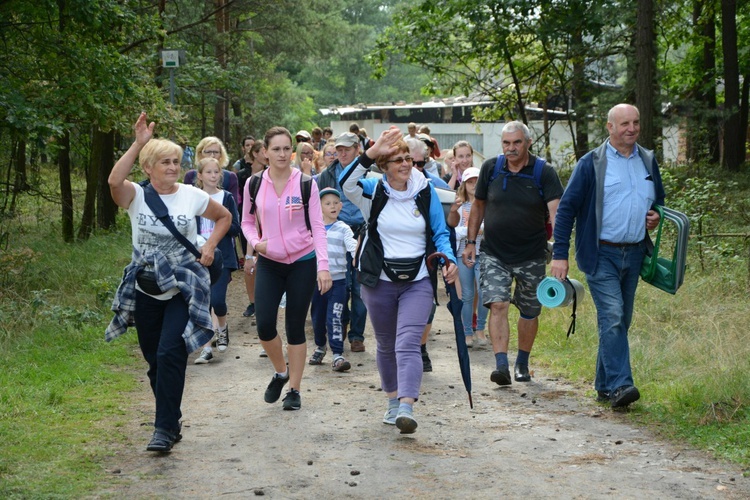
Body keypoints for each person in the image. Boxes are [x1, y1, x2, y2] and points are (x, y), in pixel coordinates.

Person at [105, 113, 231, 452]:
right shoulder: (136, 196)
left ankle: (162, 430)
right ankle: (171, 419)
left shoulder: (191, 195)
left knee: (169, 352)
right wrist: (139, 143)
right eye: (165, 162)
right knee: (154, 362)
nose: (173, 166)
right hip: (146, 288)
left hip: (182, 289)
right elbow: (114, 182)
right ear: (148, 167)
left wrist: (209, 245)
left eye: (176, 161)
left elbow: (224, 218)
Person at [340, 126, 458, 434]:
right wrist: (372, 150)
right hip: (378, 280)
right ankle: (392, 400)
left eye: (409, 158)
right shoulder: (372, 190)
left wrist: (449, 259)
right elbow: (344, 183)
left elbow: (440, 232)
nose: (406, 164)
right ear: (384, 165)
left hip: (417, 279)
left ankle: (406, 406)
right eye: (397, 160)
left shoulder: (424, 189)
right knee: (386, 343)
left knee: (407, 343)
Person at [551, 103, 664, 409]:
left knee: (620, 320)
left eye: (636, 123)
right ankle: (620, 385)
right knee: (612, 316)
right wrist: (559, 254)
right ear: (610, 127)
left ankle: (603, 385)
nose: (632, 128)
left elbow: (659, 203)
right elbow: (566, 211)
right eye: (625, 123)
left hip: (636, 251)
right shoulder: (592, 163)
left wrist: (654, 217)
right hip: (601, 254)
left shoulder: (648, 160)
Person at [462, 121, 563, 386]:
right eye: (506, 143)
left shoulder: (544, 172)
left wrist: (561, 254)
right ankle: (501, 365)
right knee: (498, 304)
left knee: (529, 311)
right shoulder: (491, 169)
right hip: (495, 253)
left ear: (528, 142)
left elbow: (557, 213)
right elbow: (478, 206)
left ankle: (522, 363)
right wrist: (471, 241)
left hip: (532, 254)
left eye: (517, 142)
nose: (511, 148)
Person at [241, 126, 332, 411]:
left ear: (291, 151)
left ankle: (294, 388)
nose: (281, 154)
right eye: (275, 149)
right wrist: (256, 244)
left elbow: (318, 226)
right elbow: (246, 221)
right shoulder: (254, 184)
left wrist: (323, 266)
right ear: (264, 152)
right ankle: (281, 371)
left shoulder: (306, 183)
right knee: (265, 323)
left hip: (302, 263)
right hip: (270, 261)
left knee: (295, 325)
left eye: (285, 148)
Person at [316, 132, 368, 352]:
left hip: (362, 232)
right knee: (340, 284)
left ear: (358, 149)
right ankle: (341, 322)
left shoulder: (367, 173)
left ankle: (357, 335)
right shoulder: (326, 175)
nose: (343, 153)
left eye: (347, 148)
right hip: (334, 233)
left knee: (360, 287)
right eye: (339, 149)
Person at [405, 136, 450, 371]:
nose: (414, 168)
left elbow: (446, 227)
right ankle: (403, 349)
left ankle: (420, 348)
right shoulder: (383, 185)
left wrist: (448, 258)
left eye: (420, 163)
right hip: (394, 258)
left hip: (427, 255)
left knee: (428, 304)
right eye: (408, 161)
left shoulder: (437, 186)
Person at [193, 156, 241, 364]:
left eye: (216, 172)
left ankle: (222, 328)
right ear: (200, 176)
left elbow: (235, 228)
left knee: (217, 301)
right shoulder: (193, 197)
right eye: (209, 172)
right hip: (197, 255)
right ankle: (205, 347)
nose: (213, 176)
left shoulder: (226, 197)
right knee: (203, 302)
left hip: (221, 256)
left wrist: (218, 219)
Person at [309, 187, 358, 372]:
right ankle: (320, 346)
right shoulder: (313, 229)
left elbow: (352, 244)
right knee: (318, 317)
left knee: (335, 316)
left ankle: (337, 354)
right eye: (327, 203)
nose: (332, 206)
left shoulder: (343, 228)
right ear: (319, 207)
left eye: (335, 203)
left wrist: (356, 255)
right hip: (316, 282)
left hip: (338, 282)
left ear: (341, 206)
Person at [447, 167, 489, 348]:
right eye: (470, 182)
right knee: (467, 294)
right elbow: (452, 230)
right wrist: (470, 231)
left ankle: (480, 327)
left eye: (477, 181)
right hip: (462, 253)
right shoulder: (460, 205)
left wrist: (472, 231)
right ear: (464, 184)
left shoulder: (488, 205)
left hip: (484, 253)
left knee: (484, 292)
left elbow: (489, 228)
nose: (473, 185)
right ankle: (467, 332)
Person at [238, 141, 266, 319]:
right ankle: (253, 301)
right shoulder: (243, 176)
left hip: (267, 225)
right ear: (255, 153)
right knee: (250, 263)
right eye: (262, 151)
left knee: (263, 265)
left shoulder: (274, 175)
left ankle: (264, 300)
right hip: (249, 220)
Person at [183, 137, 240, 206]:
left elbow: (233, 207)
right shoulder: (191, 176)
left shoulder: (230, 177)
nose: (212, 155)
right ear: (200, 154)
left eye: (216, 152)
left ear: (221, 155)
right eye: (208, 152)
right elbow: (186, 204)